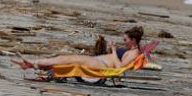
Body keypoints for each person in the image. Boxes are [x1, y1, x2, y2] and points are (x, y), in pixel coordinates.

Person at [11, 26, 144, 70]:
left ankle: (34, 63)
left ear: (133, 40)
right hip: (99, 61)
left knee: (67, 59)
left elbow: (120, 68)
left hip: (101, 65)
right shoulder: (131, 51)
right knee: (65, 59)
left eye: (125, 40)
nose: (124, 42)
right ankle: (32, 64)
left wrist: (114, 51)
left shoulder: (134, 53)